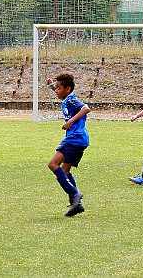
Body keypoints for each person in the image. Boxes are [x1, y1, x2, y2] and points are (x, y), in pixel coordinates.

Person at [47, 71, 90, 217]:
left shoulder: (71, 100)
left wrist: (70, 122)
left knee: (53, 164)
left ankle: (75, 195)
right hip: (80, 139)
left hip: (74, 138)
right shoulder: (67, 97)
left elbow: (86, 109)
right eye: (56, 88)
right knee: (65, 171)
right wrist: (52, 85)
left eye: (59, 88)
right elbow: (60, 90)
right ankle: (77, 204)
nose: (56, 91)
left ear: (68, 89)